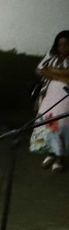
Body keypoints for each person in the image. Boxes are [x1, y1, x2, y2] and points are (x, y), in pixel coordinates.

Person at [36, 30, 69, 172]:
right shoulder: (52, 56)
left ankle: (60, 157)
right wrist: (63, 75)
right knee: (49, 125)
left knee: (61, 126)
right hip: (50, 95)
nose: (63, 48)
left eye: (66, 45)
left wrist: (52, 72)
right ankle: (51, 152)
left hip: (65, 97)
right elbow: (41, 70)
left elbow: (49, 71)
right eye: (60, 45)